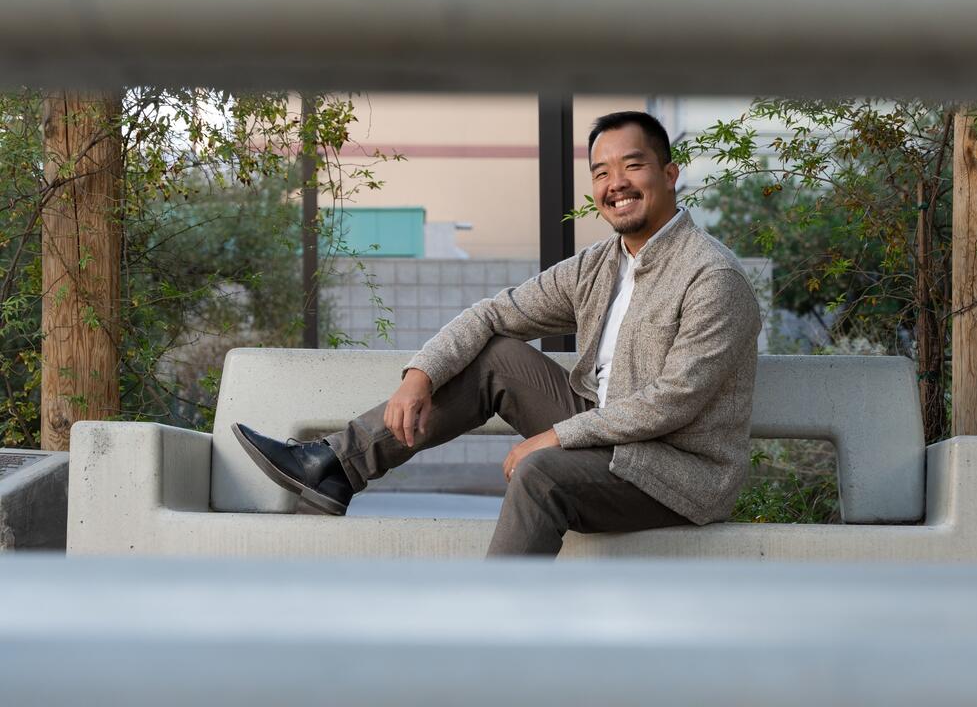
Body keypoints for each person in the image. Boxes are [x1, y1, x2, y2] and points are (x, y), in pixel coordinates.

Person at [232, 110, 762, 556]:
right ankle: (333, 464)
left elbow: (673, 402)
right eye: (601, 172)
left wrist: (555, 437)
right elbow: (493, 313)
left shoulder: (711, 277)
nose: (615, 184)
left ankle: (496, 637)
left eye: (632, 166)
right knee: (495, 356)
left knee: (542, 473)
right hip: (605, 438)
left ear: (669, 174)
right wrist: (420, 373)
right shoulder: (600, 264)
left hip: (673, 473)